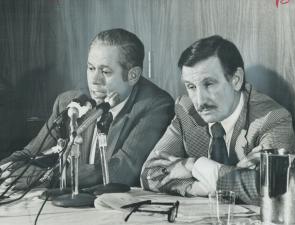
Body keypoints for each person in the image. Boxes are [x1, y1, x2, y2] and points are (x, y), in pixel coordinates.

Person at [0, 28, 174, 189]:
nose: (94, 80)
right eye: (91, 68)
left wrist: (47, 176)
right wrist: (6, 170)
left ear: (133, 75)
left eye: (105, 72)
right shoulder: (69, 102)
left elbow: (121, 171)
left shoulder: (155, 105)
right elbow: (30, 152)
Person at [140, 35, 295, 205]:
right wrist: (201, 187)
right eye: (191, 87)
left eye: (209, 84)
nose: (200, 100)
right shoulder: (187, 111)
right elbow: (150, 174)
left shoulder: (272, 118)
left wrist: (194, 165)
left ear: (236, 80)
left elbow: (273, 190)